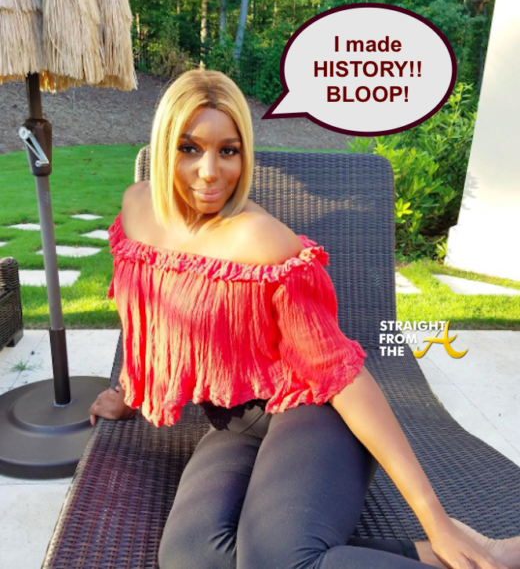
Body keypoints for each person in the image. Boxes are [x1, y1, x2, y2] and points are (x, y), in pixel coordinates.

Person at [89, 69, 519, 569]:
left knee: (274, 560)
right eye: (190, 148)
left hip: (314, 413)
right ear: (165, 146)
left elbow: (343, 376)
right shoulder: (137, 208)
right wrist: (129, 392)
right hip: (233, 424)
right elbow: (144, 313)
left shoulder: (260, 240)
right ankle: (471, 557)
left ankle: (465, 551)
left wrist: (435, 519)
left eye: (228, 151)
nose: (209, 172)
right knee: (191, 558)